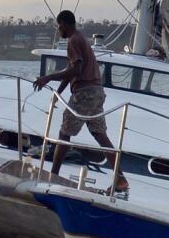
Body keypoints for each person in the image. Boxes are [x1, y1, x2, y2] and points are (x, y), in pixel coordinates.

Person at [33, 10, 128, 192]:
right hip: (96, 92)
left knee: (64, 133)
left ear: (65, 25)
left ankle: (54, 174)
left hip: (85, 93)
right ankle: (121, 179)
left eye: (58, 26)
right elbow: (73, 70)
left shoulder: (73, 41)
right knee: (100, 134)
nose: (58, 29)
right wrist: (58, 92)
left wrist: (47, 77)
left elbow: (76, 69)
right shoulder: (80, 39)